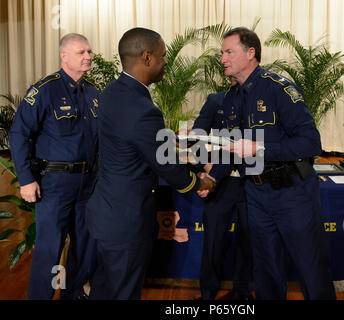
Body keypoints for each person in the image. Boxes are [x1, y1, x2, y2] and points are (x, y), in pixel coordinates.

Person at [85, 27, 215, 300]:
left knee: (105, 287)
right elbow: (166, 165)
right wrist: (199, 181)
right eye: (163, 56)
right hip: (126, 221)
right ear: (146, 58)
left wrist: (170, 145)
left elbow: (137, 144)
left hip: (107, 212)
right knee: (124, 292)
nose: (166, 61)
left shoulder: (111, 92)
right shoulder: (144, 110)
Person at [208, 27, 336, 300]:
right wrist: (212, 180)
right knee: (266, 273)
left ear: (250, 53)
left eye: (228, 52)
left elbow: (310, 143)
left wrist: (261, 148)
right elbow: (233, 149)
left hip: (292, 193)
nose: (222, 59)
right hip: (255, 195)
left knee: (311, 270)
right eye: (222, 53)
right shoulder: (230, 99)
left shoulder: (278, 88)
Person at [8, 33, 98, 300]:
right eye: (81, 52)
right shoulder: (44, 90)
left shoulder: (93, 93)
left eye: (89, 52)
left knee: (83, 247)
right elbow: (18, 134)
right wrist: (25, 180)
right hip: (54, 184)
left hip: (87, 184)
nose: (88, 57)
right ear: (64, 56)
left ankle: (73, 294)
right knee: (50, 249)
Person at [191, 89, 253, 300]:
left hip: (251, 184)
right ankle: (208, 295)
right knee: (213, 243)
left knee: (247, 242)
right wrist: (204, 166)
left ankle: (242, 294)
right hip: (220, 186)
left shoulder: (261, 102)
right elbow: (196, 135)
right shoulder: (216, 100)